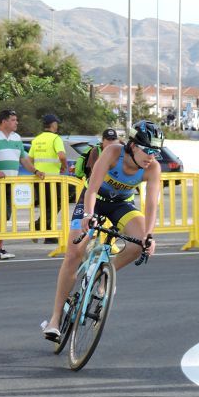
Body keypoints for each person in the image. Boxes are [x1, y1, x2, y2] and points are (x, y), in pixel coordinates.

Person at [42, 125, 162, 341]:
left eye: (157, 152)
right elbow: (92, 189)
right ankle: (55, 318)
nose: (152, 157)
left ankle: (107, 273)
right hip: (93, 201)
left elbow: (152, 203)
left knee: (138, 245)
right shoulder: (113, 152)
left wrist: (149, 235)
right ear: (133, 146)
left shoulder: (152, 168)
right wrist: (88, 215)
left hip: (120, 205)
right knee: (74, 252)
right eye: (149, 151)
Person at [0, 109, 45, 260]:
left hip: (12, 182)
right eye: (13, 120)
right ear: (4, 121)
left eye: (16, 120)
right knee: (1, 214)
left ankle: (0, 248)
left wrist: (35, 171)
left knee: (6, 215)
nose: (16, 122)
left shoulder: (17, 138)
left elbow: (24, 159)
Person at [29, 113, 69, 243]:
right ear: (53, 124)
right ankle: (42, 228)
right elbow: (62, 156)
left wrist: (35, 170)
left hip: (39, 178)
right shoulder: (55, 139)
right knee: (55, 205)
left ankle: (47, 233)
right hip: (52, 179)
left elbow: (29, 159)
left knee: (46, 206)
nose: (57, 125)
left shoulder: (37, 139)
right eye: (56, 123)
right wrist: (64, 166)